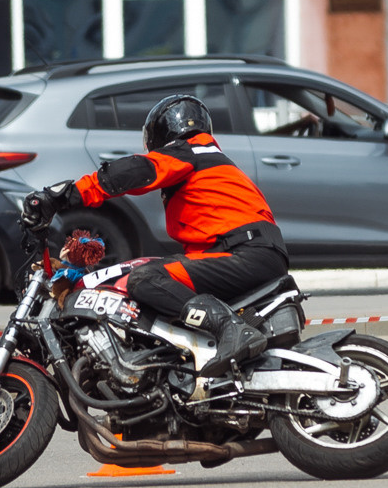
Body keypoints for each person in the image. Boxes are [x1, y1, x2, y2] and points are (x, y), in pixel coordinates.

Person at [21, 94, 281, 375]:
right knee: (150, 268)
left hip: (245, 255)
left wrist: (65, 196)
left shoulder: (189, 153)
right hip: (246, 253)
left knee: (145, 279)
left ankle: (229, 328)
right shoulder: (212, 164)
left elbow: (136, 171)